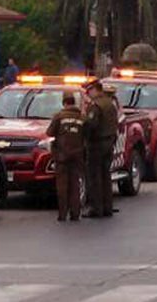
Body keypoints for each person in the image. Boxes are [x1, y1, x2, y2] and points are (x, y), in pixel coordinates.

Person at [46, 92, 86, 222]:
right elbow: (87, 134)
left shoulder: (58, 117)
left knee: (62, 186)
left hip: (62, 156)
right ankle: (75, 214)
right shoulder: (82, 118)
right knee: (75, 184)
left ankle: (62, 214)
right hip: (78, 155)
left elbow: (49, 132)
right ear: (73, 102)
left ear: (64, 103)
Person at [83, 80, 118, 218]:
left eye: (89, 90)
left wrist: (84, 137)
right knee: (106, 175)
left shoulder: (96, 105)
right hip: (109, 142)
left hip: (97, 143)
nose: (88, 93)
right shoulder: (110, 103)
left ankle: (96, 208)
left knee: (94, 176)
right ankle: (107, 207)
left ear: (95, 89)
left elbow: (92, 125)